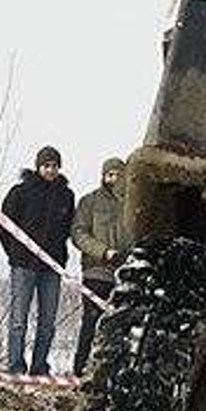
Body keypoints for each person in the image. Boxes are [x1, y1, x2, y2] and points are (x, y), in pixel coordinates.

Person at [0, 145, 75, 376]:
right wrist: (14, 254)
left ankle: (39, 366)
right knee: (18, 319)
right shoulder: (21, 192)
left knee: (48, 321)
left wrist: (60, 257)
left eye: (54, 165)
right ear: (38, 166)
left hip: (51, 268)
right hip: (23, 265)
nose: (51, 170)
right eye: (47, 165)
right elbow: (4, 226)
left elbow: (67, 229)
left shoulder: (66, 195)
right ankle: (15, 365)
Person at [69, 156, 132, 376]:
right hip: (96, 271)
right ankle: (79, 369)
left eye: (118, 174)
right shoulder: (89, 201)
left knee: (121, 327)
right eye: (110, 174)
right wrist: (104, 252)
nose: (114, 179)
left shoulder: (133, 203)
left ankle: (108, 373)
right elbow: (78, 233)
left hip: (125, 275)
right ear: (103, 176)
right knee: (91, 320)